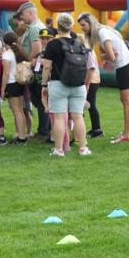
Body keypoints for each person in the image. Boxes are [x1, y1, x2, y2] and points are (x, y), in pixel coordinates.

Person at [40, 13, 92, 157]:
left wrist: (44, 85)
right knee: (78, 117)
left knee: (59, 118)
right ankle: (83, 148)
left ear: (58, 27)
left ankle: (59, 149)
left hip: (58, 84)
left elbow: (47, 67)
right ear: (71, 26)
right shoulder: (79, 43)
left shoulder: (53, 44)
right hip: (78, 85)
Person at [89, 15, 129, 144]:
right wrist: (106, 55)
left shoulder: (102, 32)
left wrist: (105, 56)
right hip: (123, 67)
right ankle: (125, 133)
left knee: (127, 101)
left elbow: (112, 56)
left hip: (125, 67)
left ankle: (127, 134)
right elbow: (110, 59)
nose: (83, 28)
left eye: (84, 25)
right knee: (125, 101)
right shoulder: (103, 32)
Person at [17, 2, 49, 139]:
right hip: (38, 68)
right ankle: (44, 129)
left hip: (36, 70)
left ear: (30, 13)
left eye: (23, 14)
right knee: (40, 101)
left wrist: (26, 64)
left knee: (40, 100)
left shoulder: (35, 28)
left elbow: (36, 49)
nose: (22, 17)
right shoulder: (36, 27)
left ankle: (44, 130)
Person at [75, 14, 103, 140]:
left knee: (89, 103)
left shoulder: (86, 47)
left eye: (83, 25)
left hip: (92, 79)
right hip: (92, 78)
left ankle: (96, 129)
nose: (81, 27)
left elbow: (91, 68)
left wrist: (86, 84)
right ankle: (95, 128)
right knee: (89, 104)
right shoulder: (87, 42)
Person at [2, 31, 31, 143]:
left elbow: (6, 73)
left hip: (11, 83)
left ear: (5, 42)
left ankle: (21, 137)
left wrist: (2, 89)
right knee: (21, 111)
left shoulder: (7, 54)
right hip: (20, 83)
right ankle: (22, 134)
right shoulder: (20, 51)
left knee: (16, 111)